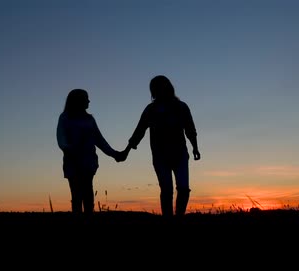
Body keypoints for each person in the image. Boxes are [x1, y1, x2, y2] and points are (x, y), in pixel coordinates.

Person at [121, 75, 201, 217]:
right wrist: (127, 150)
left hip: (180, 154)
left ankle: (179, 216)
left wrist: (195, 147)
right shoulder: (150, 110)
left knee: (183, 189)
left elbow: (190, 129)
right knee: (166, 190)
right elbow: (139, 131)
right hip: (160, 156)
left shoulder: (181, 107)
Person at [57, 89, 124, 214]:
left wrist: (114, 153)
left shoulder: (89, 120)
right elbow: (61, 137)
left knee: (87, 192)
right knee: (76, 193)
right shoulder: (65, 117)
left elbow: (99, 139)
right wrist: (69, 150)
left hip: (88, 162)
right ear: (77, 101)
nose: (89, 101)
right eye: (86, 98)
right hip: (72, 161)